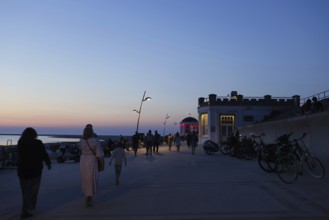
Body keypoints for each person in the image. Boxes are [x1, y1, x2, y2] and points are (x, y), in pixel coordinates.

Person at [16, 127, 52, 219]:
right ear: (34, 134)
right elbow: (43, 154)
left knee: (25, 192)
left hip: (22, 171)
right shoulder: (38, 143)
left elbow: (19, 155)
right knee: (31, 192)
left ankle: (27, 209)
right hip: (35, 171)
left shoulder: (21, 142)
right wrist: (48, 164)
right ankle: (25, 211)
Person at [79, 124, 104, 207]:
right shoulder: (95, 140)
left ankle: (88, 198)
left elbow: (81, 150)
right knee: (91, 179)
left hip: (83, 160)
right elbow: (99, 155)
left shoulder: (81, 141)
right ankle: (88, 199)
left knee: (85, 179)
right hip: (91, 160)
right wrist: (102, 164)